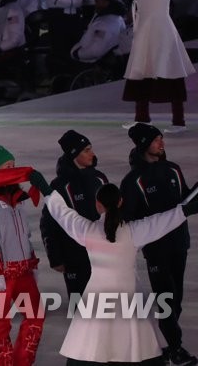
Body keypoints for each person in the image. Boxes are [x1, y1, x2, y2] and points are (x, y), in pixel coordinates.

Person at [36, 172, 198, 366]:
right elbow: (163, 220)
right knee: (138, 348)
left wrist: (45, 189)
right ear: (120, 202)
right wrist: (186, 210)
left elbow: (62, 213)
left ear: (98, 205)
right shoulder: (134, 231)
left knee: (90, 349)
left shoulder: (87, 231)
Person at [120, 123, 197, 365]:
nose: (161, 143)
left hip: (179, 243)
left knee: (175, 298)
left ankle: (167, 342)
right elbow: (129, 220)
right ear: (144, 144)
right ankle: (174, 347)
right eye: (156, 140)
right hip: (156, 250)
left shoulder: (173, 169)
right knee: (166, 297)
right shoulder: (133, 181)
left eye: (161, 138)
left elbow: (184, 200)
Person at [105, 0, 195, 130]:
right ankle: (142, 117)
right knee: (141, 72)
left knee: (170, 73)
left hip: (163, 33)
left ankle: (179, 121)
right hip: (144, 33)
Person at [0, 142, 45, 366]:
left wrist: (31, 263)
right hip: (0, 274)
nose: (12, 169)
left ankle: (21, 362)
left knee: (36, 315)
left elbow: (26, 234)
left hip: (22, 269)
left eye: (14, 165)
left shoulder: (19, 197)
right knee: (1, 322)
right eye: (7, 166)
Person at [38, 130, 108, 297]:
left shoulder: (100, 178)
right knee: (81, 312)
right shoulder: (60, 186)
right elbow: (48, 223)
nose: (92, 154)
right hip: (75, 258)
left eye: (91, 148)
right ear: (74, 155)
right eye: (86, 150)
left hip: (103, 256)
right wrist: (55, 257)